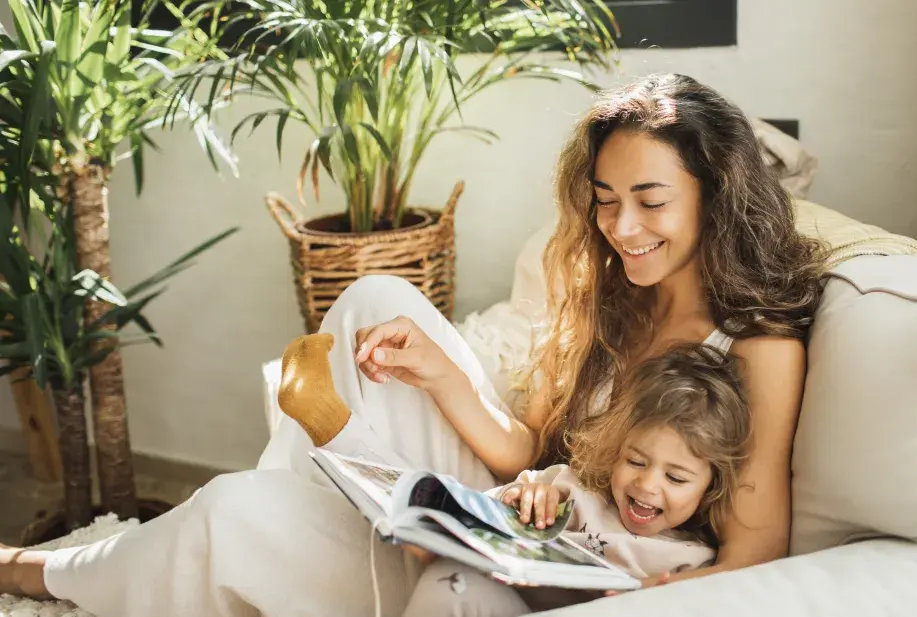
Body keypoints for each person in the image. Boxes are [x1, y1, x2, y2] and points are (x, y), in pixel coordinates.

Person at [0, 73, 826, 616]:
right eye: (606, 199)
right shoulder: (614, 301)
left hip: (587, 569)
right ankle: (331, 495)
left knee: (240, 518)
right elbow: (523, 455)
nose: (621, 227)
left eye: (650, 199)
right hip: (531, 516)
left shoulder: (758, 346)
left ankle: (55, 569)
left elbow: (755, 556)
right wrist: (439, 377)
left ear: (715, 195)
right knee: (375, 301)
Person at [404, 342, 751, 617]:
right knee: (447, 583)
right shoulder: (572, 492)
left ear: (710, 486)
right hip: (517, 602)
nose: (647, 485)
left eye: (675, 478)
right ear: (615, 450)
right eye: (635, 461)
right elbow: (488, 512)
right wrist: (525, 498)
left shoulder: (692, 562)